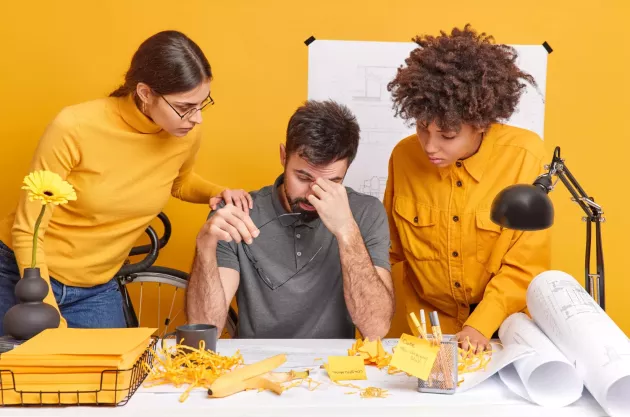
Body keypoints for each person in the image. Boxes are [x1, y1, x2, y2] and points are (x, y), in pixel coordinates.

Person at [0, 30, 252, 334]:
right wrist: (48, 316)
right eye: (185, 107)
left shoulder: (184, 133)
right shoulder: (75, 127)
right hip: (23, 275)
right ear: (145, 93)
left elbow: (178, 181)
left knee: (118, 366)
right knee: (30, 363)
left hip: (95, 287)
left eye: (202, 104)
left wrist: (218, 192)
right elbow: (27, 229)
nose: (197, 118)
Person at [384, 25, 551, 353]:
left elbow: (526, 263)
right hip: (430, 332)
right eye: (422, 128)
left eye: (447, 135)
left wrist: (479, 325)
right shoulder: (403, 157)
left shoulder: (525, 156)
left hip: (506, 329)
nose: (430, 146)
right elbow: (389, 250)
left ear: (481, 124)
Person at [186, 100, 395, 339]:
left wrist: (346, 231)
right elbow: (205, 327)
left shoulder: (366, 212)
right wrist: (205, 247)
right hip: (255, 358)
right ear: (284, 156)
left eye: (332, 183)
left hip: (334, 361)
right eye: (303, 177)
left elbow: (376, 328)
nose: (312, 194)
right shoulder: (238, 212)